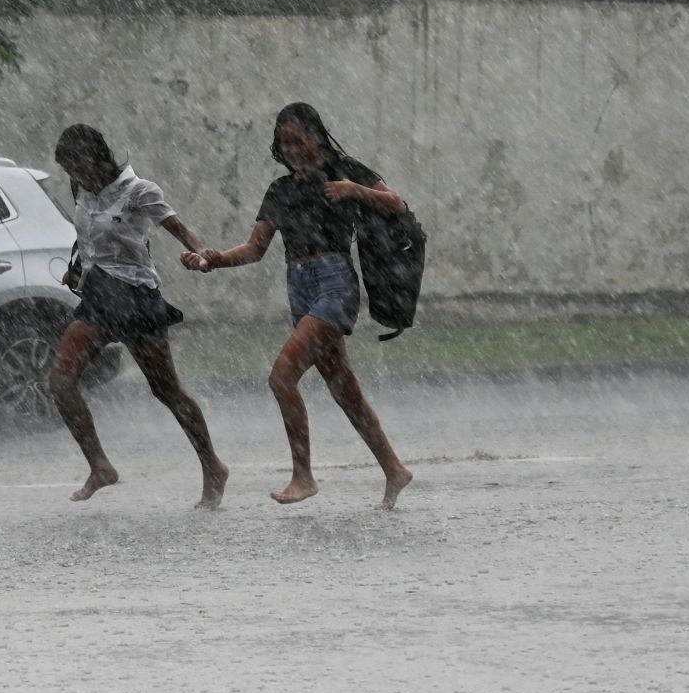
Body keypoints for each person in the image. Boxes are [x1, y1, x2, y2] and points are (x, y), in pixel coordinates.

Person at [180, 103, 415, 510]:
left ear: (317, 136)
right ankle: (394, 468)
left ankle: (303, 475)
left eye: (299, 140)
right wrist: (213, 259)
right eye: (285, 143)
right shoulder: (281, 190)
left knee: (281, 377)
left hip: (334, 283)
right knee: (346, 392)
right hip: (300, 288)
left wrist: (355, 190)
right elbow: (255, 249)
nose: (292, 149)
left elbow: (397, 202)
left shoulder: (345, 169)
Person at [49, 123, 230, 509]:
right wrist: (76, 268)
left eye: (79, 167)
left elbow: (181, 229)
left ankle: (213, 466)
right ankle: (100, 466)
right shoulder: (82, 190)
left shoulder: (138, 191)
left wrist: (201, 255)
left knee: (166, 390)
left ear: (98, 157)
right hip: (99, 296)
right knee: (62, 380)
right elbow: (86, 237)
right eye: (70, 171)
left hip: (135, 297)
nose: (76, 177)